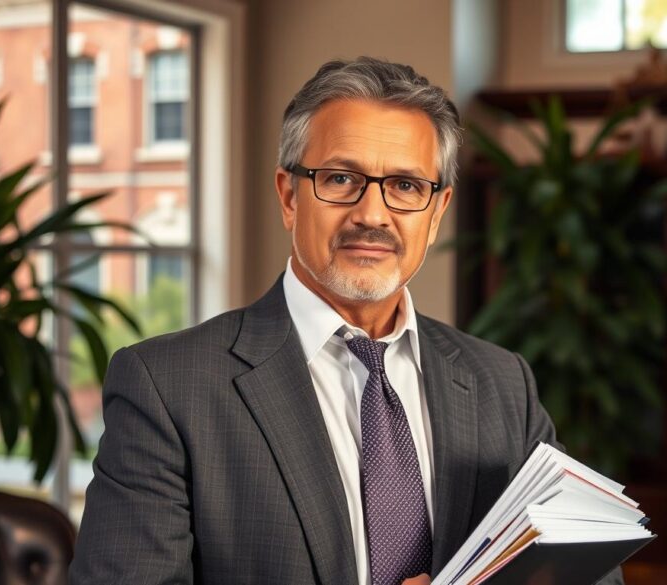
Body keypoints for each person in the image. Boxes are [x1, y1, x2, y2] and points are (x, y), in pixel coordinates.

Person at [69, 57, 624, 585]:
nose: (372, 214)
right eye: (339, 179)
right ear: (290, 196)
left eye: (406, 186)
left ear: (437, 214)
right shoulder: (166, 386)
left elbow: (589, 570)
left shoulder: (503, 383)